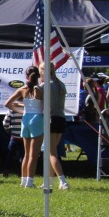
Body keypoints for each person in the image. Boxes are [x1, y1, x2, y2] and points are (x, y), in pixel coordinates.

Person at [4, 66, 43, 188]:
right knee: (34, 154)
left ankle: (24, 180)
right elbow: (45, 106)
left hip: (25, 119)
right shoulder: (41, 90)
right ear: (38, 76)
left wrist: (21, 110)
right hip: (37, 119)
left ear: (27, 76)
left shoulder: (22, 89)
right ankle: (30, 182)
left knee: (26, 153)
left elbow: (7, 103)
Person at [41, 63, 70, 191]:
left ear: (44, 71)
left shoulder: (45, 85)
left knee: (52, 153)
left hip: (51, 119)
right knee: (51, 152)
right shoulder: (60, 84)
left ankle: (63, 181)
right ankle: (49, 181)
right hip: (61, 119)